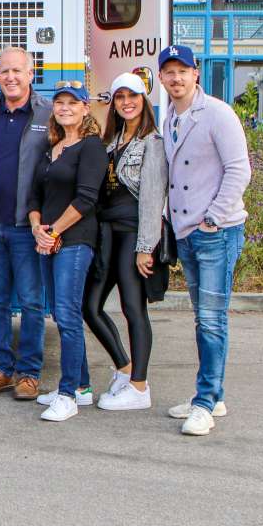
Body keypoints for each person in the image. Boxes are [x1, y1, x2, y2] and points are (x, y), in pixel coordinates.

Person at [158, 44, 251, 436]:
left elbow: (239, 169)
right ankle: (214, 395)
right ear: (161, 78)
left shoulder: (217, 114)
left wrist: (213, 217)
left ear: (196, 73)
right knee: (202, 319)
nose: (176, 78)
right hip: (187, 234)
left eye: (183, 71)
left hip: (215, 232)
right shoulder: (170, 118)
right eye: (169, 72)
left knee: (212, 320)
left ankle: (205, 402)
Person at [0, 47, 53, 401]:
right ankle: (2, 370)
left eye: (17, 71)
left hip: (28, 227)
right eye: (4, 71)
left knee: (33, 302)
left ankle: (29, 374)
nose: (11, 77)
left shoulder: (48, 113)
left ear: (31, 73)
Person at [86, 72, 169, 411]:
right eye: (119, 97)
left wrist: (146, 247)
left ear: (143, 100)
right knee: (89, 306)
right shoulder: (111, 140)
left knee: (133, 308)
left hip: (134, 233)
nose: (126, 102)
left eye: (132, 96)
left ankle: (139, 386)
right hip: (107, 233)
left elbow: (152, 197)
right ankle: (124, 368)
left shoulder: (153, 142)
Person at [28, 80, 108, 422]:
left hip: (75, 241)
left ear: (85, 108)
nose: (64, 108)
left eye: (72, 103)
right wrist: (37, 227)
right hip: (47, 238)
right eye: (59, 103)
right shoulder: (53, 147)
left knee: (68, 314)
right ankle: (83, 388)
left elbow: (86, 199)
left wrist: (54, 231)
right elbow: (35, 196)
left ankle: (66, 394)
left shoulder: (91, 148)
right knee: (62, 315)